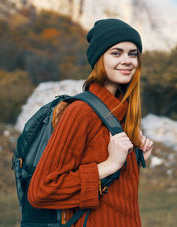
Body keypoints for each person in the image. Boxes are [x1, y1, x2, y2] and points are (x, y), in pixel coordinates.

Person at [28, 18, 154, 226]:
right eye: (116, 53)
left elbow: (114, 196)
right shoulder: (81, 112)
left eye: (133, 54)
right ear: (99, 59)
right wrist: (110, 164)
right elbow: (42, 191)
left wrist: (136, 159)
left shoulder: (121, 113)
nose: (127, 60)